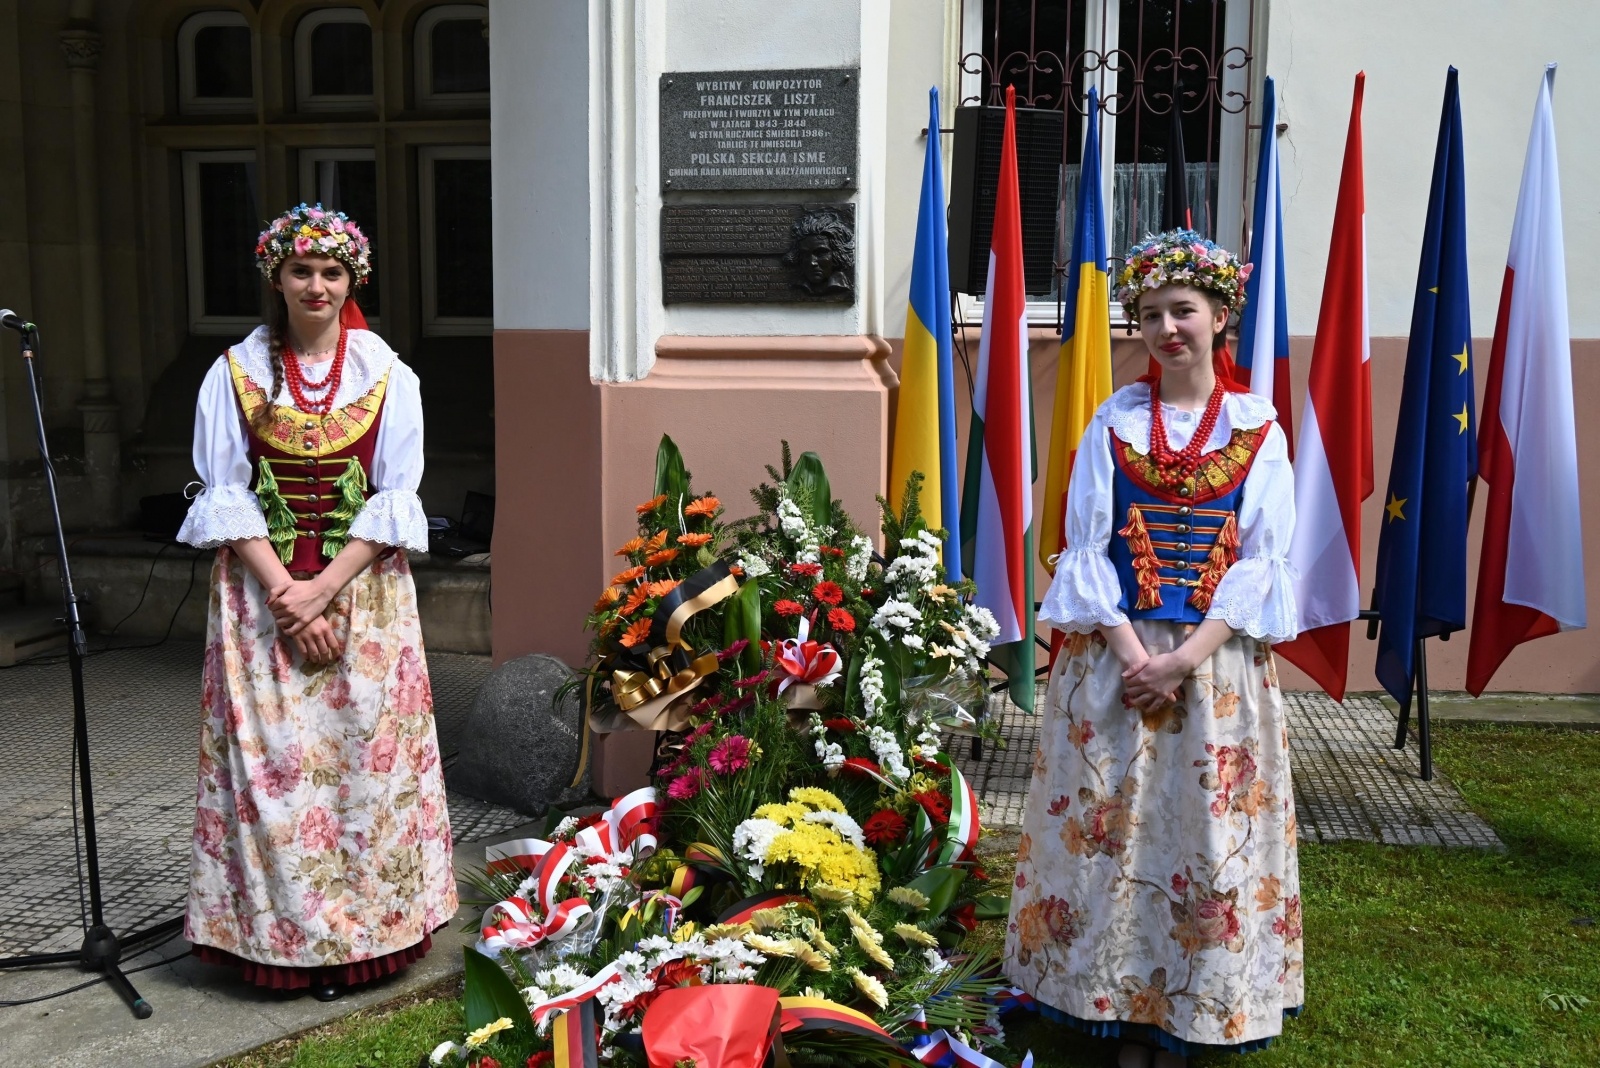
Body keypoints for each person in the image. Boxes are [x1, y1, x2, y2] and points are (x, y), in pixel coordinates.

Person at [1005, 230, 1302, 1067]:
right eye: (1149, 316)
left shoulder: (1258, 427)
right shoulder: (1114, 421)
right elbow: (1087, 547)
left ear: (1219, 318)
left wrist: (1182, 661)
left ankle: (1192, 1000)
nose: (1168, 329)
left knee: (1202, 833)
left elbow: (1261, 562)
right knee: (1110, 831)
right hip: (1116, 658)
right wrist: (1138, 655)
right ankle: (1116, 1001)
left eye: (1184, 311)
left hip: (1213, 666)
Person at [177, 204, 457, 1001]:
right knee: (275, 772)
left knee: (365, 771)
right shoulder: (233, 371)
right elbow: (226, 493)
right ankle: (280, 944)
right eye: (302, 270)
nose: (317, 285)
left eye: (333, 272)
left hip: (362, 596)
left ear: (351, 281)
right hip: (260, 598)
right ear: (277, 277)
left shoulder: (387, 374)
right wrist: (285, 596)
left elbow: (395, 496)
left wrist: (324, 589)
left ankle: (367, 939)